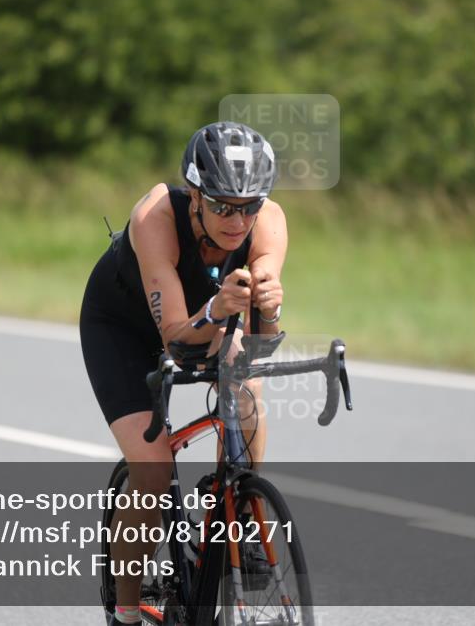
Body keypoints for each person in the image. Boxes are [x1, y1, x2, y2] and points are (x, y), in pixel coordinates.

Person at [79, 122, 287, 626]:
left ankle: (236, 514)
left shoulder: (269, 222)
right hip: (125, 328)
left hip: (205, 317)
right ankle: (127, 614)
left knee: (247, 392)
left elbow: (258, 344)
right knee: (150, 469)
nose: (237, 220)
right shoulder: (156, 215)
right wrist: (217, 308)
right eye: (221, 206)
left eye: (249, 205)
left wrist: (270, 310)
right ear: (195, 196)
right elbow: (173, 332)